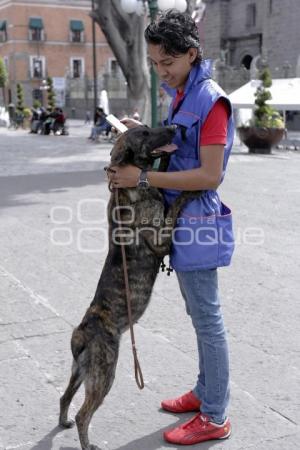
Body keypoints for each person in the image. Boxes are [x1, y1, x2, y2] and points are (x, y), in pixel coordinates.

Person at [107, 9, 235, 445]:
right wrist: (141, 133)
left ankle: (216, 415)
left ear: (192, 54)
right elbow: (179, 148)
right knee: (198, 315)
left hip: (198, 220)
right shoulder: (184, 93)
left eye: (168, 63)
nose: (161, 71)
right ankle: (204, 392)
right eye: (155, 64)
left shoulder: (210, 100)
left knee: (208, 318)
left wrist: (141, 178)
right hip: (178, 221)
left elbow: (208, 175)